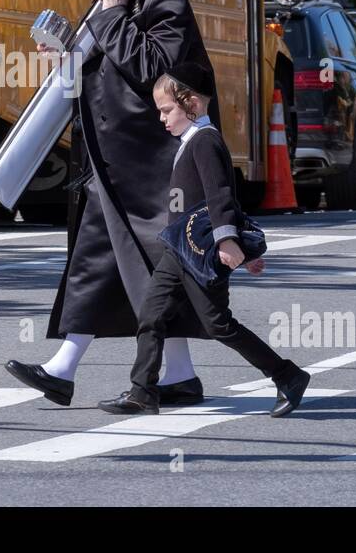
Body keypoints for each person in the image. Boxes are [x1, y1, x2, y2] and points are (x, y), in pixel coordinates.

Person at [4, 0, 219, 407]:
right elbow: (101, 74)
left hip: (152, 166)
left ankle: (172, 375)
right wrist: (67, 59)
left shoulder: (163, 1)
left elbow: (153, 73)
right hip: (114, 162)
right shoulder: (113, 0)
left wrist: (115, 15)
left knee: (150, 266)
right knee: (97, 263)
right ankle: (73, 368)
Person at [99, 62, 311, 416]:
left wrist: (230, 242)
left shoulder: (205, 141)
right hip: (178, 250)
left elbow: (220, 195)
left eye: (167, 110)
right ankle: (142, 391)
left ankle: (287, 375)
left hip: (201, 253)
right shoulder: (191, 141)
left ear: (191, 104)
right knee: (151, 315)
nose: (162, 118)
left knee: (219, 325)